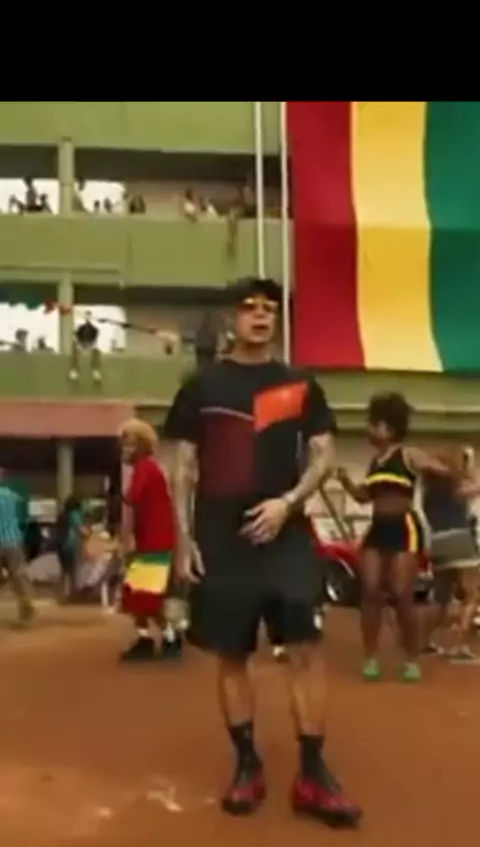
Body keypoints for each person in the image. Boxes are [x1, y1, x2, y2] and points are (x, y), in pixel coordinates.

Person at [165, 276, 361, 827]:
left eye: (269, 309)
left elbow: (323, 457)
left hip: (286, 534)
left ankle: (313, 774)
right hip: (220, 537)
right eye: (250, 307)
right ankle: (247, 764)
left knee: (306, 649)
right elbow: (183, 468)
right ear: (233, 319)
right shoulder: (202, 386)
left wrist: (288, 503)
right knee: (232, 655)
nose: (260, 315)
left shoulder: (299, 385)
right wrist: (183, 539)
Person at [337, 392, 451, 683]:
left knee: (402, 593)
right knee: (370, 591)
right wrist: (345, 481)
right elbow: (363, 497)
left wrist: (443, 466)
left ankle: (411, 657)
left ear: (387, 428)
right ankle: (370, 656)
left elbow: (439, 468)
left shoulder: (408, 454)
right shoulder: (375, 462)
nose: (368, 430)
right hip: (378, 528)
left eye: (372, 424)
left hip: (405, 528)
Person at [119, 419, 181, 662]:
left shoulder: (145, 469)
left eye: (130, 444)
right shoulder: (145, 469)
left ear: (143, 445)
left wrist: (126, 540)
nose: (125, 448)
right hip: (150, 542)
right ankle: (147, 637)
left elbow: (131, 503)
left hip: (154, 544)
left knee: (146, 597)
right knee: (137, 595)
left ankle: (169, 636)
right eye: (124, 444)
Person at [420, 446, 480, 662]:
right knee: (472, 594)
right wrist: (470, 464)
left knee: (441, 598)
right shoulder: (456, 490)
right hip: (459, 539)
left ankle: (423, 642)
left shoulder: (428, 494)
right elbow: (476, 486)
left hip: (438, 542)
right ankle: (460, 647)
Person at [0, 468, 35, 625]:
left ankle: (26, 608)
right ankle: (26, 608)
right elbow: (25, 517)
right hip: (13, 539)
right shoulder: (14, 496)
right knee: (19, 575)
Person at [54, 495, 84, 602]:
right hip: (70, 544)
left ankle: (61, 594)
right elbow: (80, 529)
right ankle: (72, 595)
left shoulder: (61, 515)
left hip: (60, 544)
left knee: (64, 571)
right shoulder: (74, 514)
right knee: (72, 571)